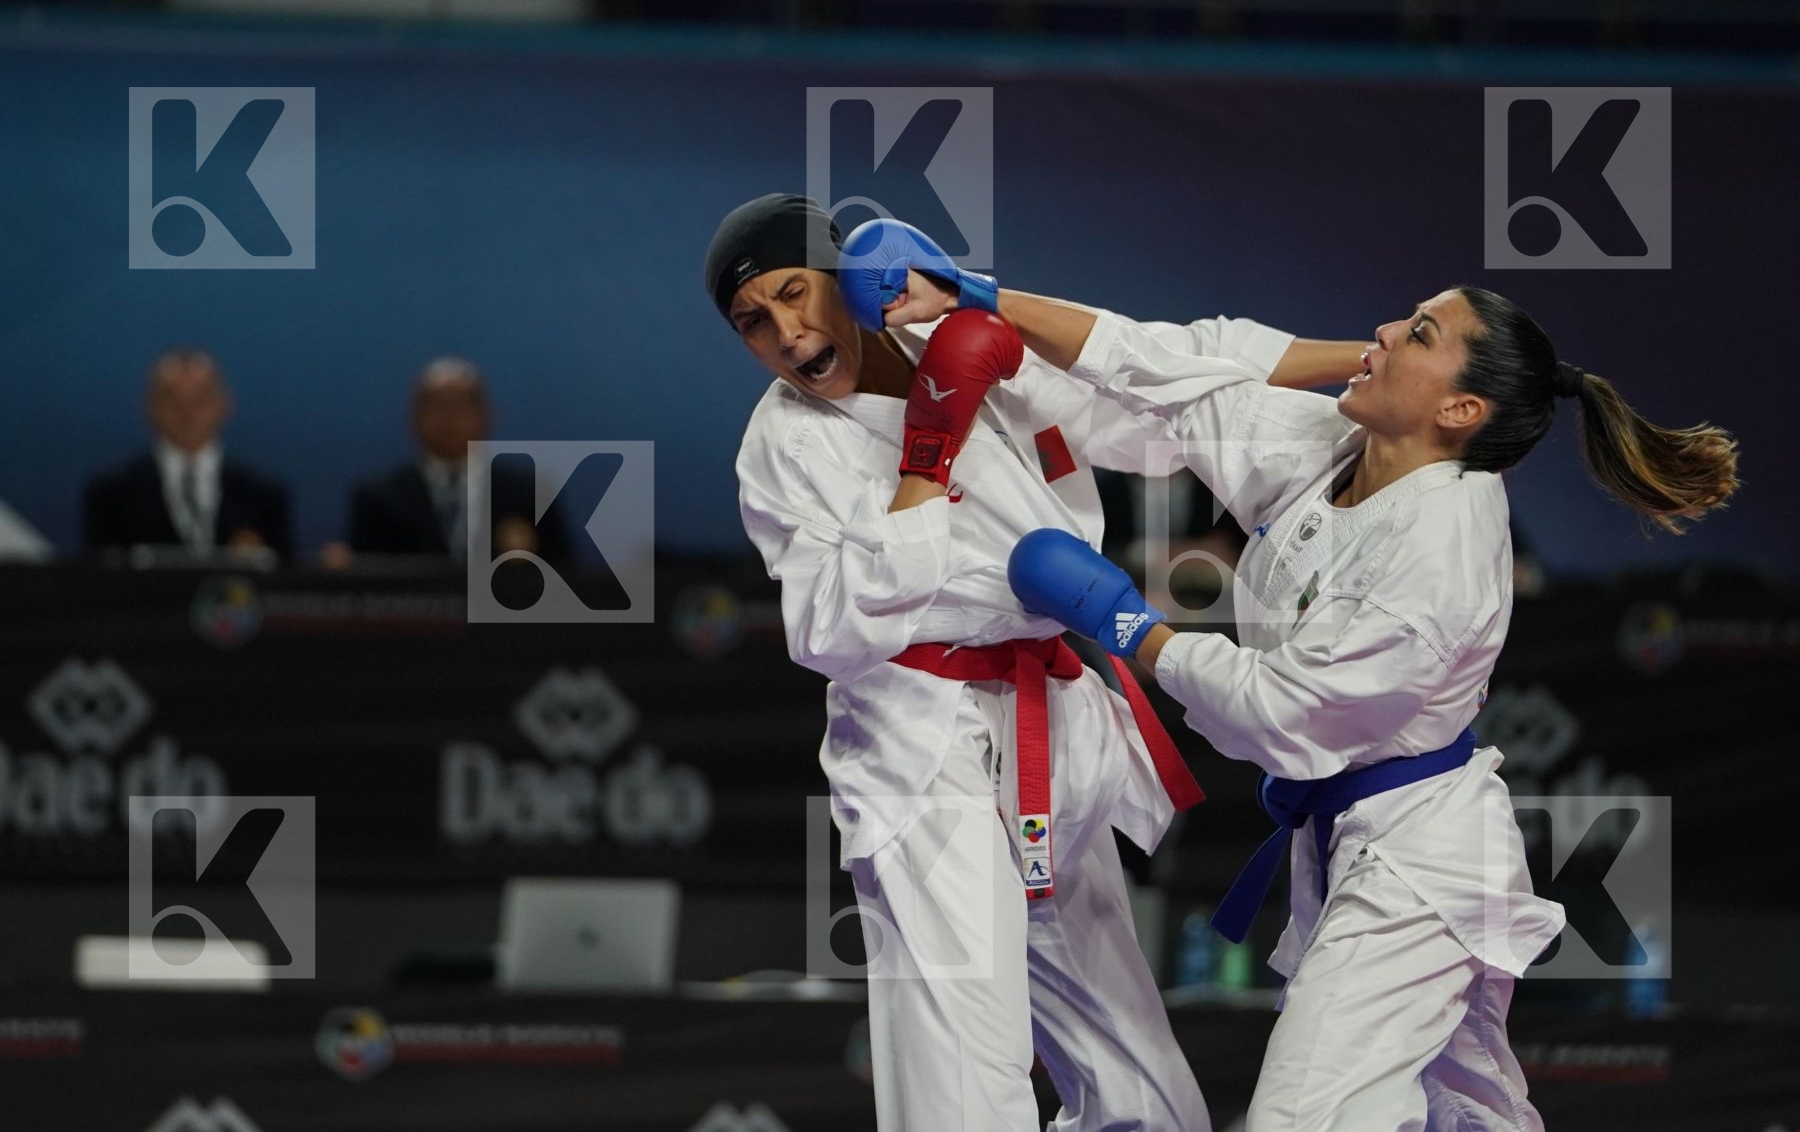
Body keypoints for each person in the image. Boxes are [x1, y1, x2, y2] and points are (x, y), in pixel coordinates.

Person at [998, 286, 1738, 1130]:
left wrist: (1130, 626)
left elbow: (1288, 709)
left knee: (1302, 1118)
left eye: (1418, 333)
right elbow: (1179, 376)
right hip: (1354, 840)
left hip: (1422, 867)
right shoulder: (1337, 449)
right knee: (1465, 1114)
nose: (1381, 332)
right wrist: (981, 298)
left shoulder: (1442, 549)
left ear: (1460, 407)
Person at [713, 194, 1366, 1131]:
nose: (785, 332)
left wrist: (1365, 376)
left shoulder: (974, 339)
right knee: (968, 1075)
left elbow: (1162, 390)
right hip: (921, 751)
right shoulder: (783, 445)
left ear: (845, 278)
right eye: (753, 322)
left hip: (1048, 732)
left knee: (1148, 1096)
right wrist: (925, 463)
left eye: (793, 293)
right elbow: (826, 631)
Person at [340, 358, 571, 564]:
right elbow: (366, 583)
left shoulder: (527, 494)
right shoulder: (380, 496)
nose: (450, 419)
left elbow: (566, 576)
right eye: (437, 406)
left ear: (486, 415)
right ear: (414, 418)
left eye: (461, 406)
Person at [83, 349, 291, 558]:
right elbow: (94, 581)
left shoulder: (264, 497)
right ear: (150, 406)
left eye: (200, 398)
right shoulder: (112, 495)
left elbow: (285, 580)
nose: (187, 411)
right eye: (172, 398)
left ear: (224, 404)